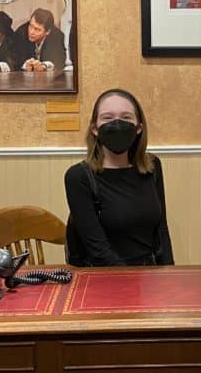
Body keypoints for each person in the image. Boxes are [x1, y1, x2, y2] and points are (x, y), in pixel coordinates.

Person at [64, 89, 174, 267]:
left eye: (126, 117)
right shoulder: (78, 177)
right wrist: (131, 284)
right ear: (95, 129)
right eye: (107, 118)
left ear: (139, 128)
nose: (117, 124)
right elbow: (97, 250)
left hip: (150, 275)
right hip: (105, 278)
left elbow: (161, 228)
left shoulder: (152, 166)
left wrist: (168, 274)